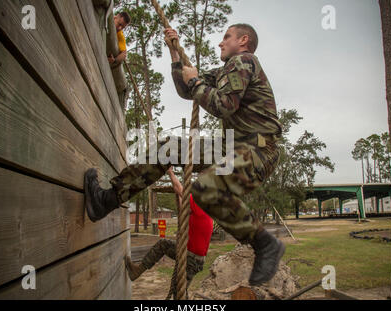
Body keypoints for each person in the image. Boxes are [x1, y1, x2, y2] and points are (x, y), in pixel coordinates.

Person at [84, 23, 284, 286]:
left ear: (244, 40)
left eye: (226, 37)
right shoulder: (227, 69)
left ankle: (264, 243)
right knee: (169, 148)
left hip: (258, 149)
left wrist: (195, 81)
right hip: (233, 145)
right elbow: (185, 90)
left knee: (206, 189)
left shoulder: (244, 61)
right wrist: (175, 55)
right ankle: (107, 200)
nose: (220, 43)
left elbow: (223, 105)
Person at [125, 167, 214, 294]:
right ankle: (137, 271)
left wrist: (170, 172)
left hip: (192, 259)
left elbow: (180, 190)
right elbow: (183, 202)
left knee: (179, 293)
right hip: (191, 256)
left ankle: (137, 271)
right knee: (178, 291)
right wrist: (179, 193)